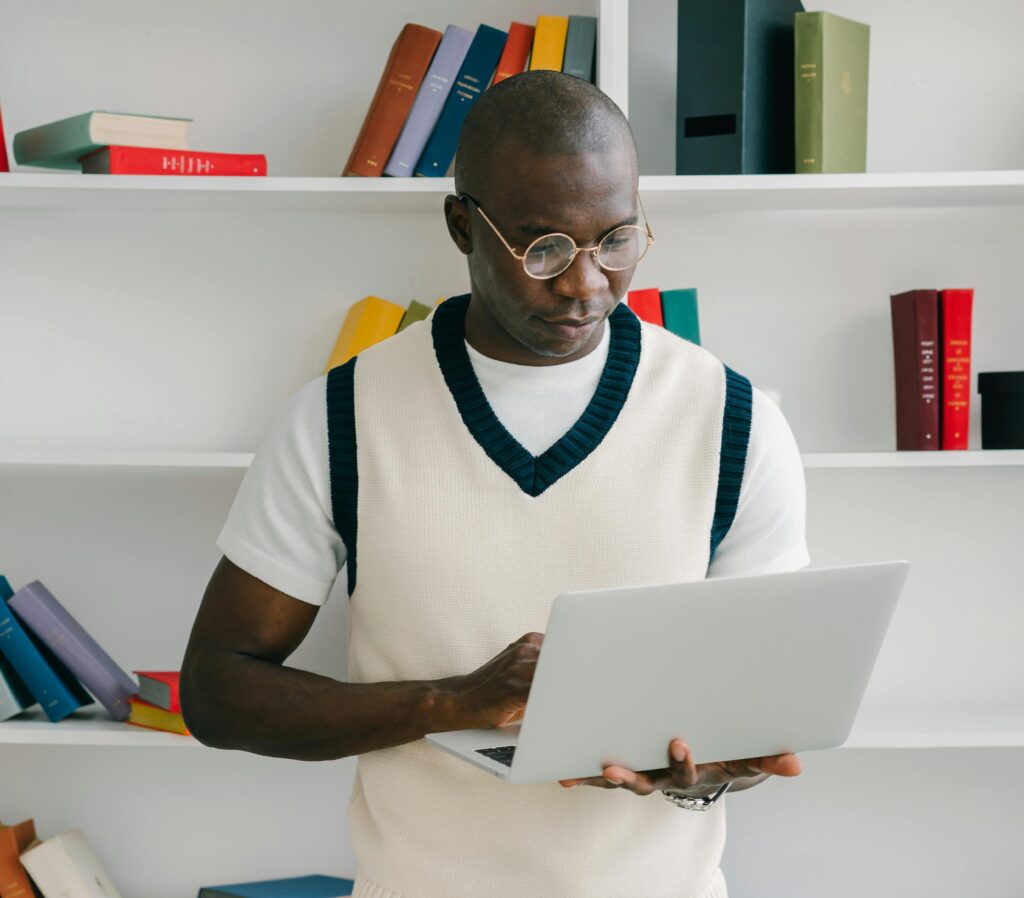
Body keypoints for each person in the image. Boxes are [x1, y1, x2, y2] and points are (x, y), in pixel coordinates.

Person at [181, 70, 809, 898]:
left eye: (616, 240)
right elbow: (219, 690)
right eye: (542, 246)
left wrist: (712, 772)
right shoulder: (341, 417)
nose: (586, 283)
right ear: (460, 225)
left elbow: (761, 713)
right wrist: (452, 702)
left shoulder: (734, 420)